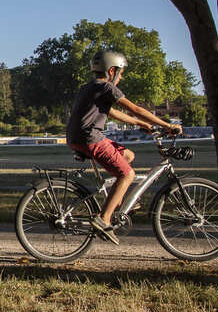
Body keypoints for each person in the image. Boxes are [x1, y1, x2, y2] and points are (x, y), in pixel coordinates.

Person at [66, 49, 182, 244]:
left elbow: (112, 112)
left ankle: (119, 202)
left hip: (78, 137)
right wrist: (167, 125)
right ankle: (103, 219)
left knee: (127, 155)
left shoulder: (89, 87)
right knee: (127, 174)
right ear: (112, 71)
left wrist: (140, 124)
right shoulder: (107, 88)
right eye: (121, 72)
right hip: (90, 138)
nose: (121, 77)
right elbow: (135, 109)